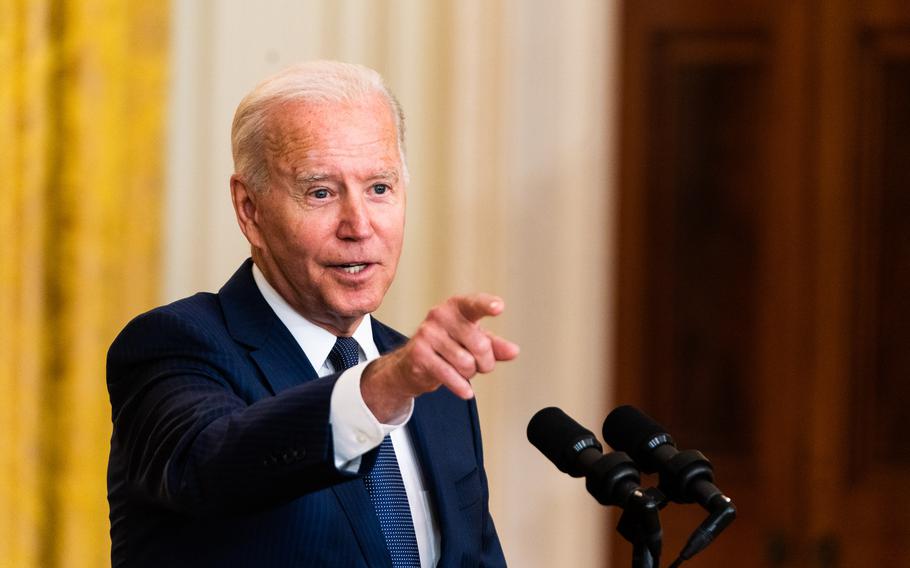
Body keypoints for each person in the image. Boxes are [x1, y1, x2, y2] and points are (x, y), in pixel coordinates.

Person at [106, 60, 518, 567]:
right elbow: (209, 464)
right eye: (321, 192)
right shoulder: (173, 345)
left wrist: (400, 381)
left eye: (379, 188)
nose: (358, 225)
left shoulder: (431, 389)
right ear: (249, 210)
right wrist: (382, 389)